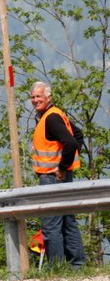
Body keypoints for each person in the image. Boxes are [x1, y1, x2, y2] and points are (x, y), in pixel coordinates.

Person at [30, 81, 85, 268]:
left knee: (51, 224)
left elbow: (71, 142)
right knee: (68, 221)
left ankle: (57, 267)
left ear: (48, 97)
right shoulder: (53, 114)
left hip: (52, 177)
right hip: (61, 177)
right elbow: (78, 135)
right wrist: (66, 167)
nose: (35, 100)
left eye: (39, 96)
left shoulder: (51, 118)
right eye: (33, 97)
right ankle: (77, 265)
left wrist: (62, 167)